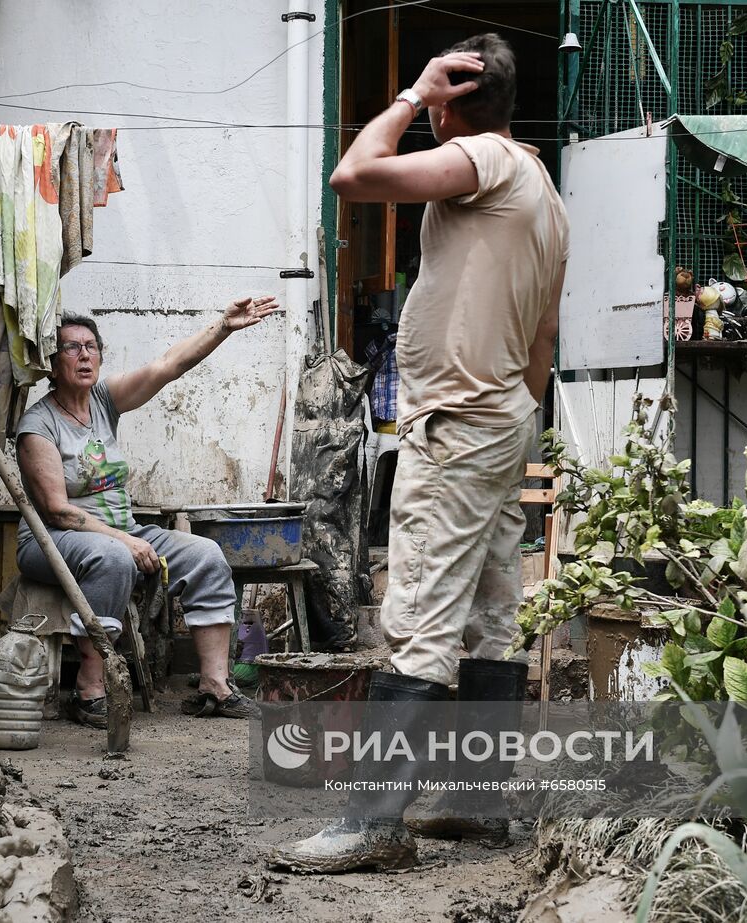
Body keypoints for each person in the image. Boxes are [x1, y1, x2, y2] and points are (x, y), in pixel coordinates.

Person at [270, 33, 569, 873]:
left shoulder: (481, 158)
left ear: (452, 101)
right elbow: (543, 334)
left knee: (421, 617)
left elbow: (354, 176)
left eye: (437, 97)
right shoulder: (543, 187)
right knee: (489, 613)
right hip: (505, 417)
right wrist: (513, 418)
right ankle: (476, 802)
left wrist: (408, 93)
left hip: (462, 425)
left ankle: (373, 822)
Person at [14, 298, 280, 728]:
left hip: (120, 530)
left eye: (91, 346)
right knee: (114, 557)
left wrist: (224, 326)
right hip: (50, 543)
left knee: (206, 555)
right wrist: (124, 540)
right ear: (52, 361)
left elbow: (167, 365)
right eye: (70, 348)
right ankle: (89, 689)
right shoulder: (38, 425)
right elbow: (58, 511)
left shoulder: (103, 401)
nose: (84, 355)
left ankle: (216, 684)